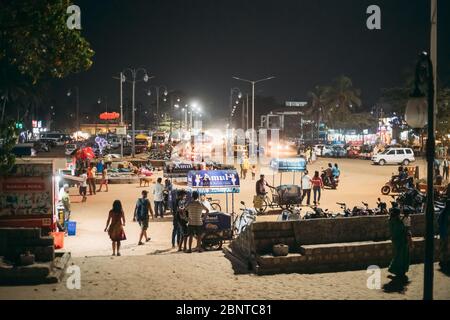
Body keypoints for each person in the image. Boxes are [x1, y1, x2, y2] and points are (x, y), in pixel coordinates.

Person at [388, 207, 411, 280]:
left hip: (396, 240)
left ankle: (398, 271)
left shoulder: (391, 220)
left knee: (398, 255)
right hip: (401, 240)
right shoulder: (397, 221)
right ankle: (399, 271)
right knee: (401, 256)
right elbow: (402, 229)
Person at [438, 199, 450, 271]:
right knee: (447, 248)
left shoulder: (442, 212)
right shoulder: (446, 213)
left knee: (443, 248)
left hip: (443, 233)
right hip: (447, 233)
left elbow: (439, 221)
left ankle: (442, 261)